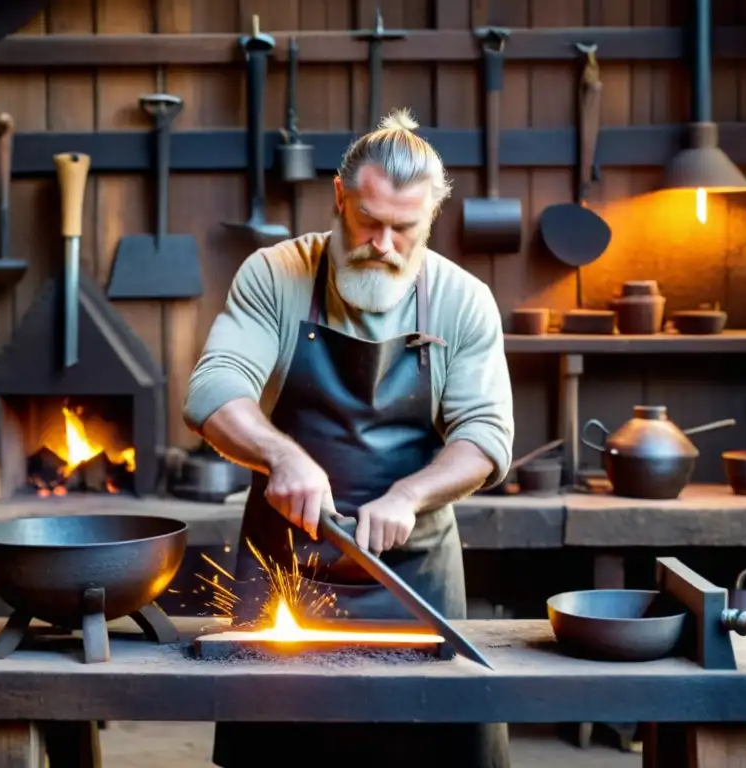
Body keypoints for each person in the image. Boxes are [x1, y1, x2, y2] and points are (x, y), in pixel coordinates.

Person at [183, 107, 515, 768]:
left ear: (432, 217)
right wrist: (281, 455)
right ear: (339, 196)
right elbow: (211, 391)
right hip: (289, 571)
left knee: (436, 752)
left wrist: (410, 495)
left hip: (411, 574)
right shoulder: (275, 275)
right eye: (369, 223)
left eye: (405, 229)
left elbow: (485, 436)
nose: (384, 245)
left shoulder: (463, 299)